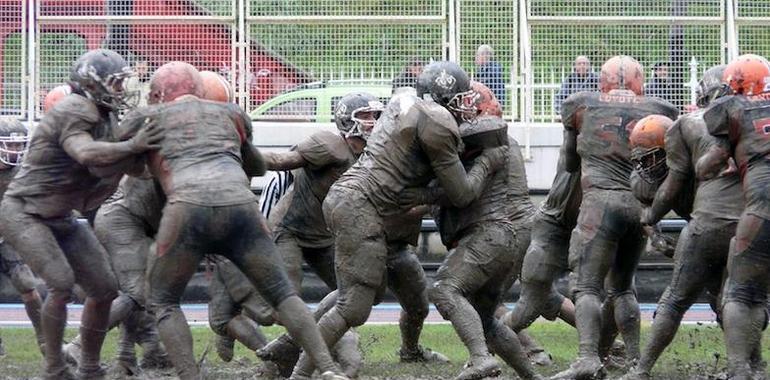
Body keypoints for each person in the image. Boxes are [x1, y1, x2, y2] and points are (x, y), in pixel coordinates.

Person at [119, 61, 348, 380]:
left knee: (163, 300)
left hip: (187, 209)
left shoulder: (146, 118)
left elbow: (129, 168)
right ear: (200, 91)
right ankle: (326, 368)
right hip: (241, 208)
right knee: (284, 295)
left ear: (156, 94)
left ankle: (190, 376)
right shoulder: (232, 114)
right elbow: (255, 166)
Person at [286, 61, 506, 379]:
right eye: (461, 95)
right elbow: (462, 194)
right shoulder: (438, 119)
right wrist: (488, 161)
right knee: (353, 305)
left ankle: (293, 361)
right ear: (445, 93)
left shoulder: (404, 99)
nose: (466, 103)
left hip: (353, 199)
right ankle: (301, 373)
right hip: (361, 206)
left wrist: (419, 193)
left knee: (357, 298)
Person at [258, 92, 450, 376]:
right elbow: (283, 161)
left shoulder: (384, 153)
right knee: (292, 300)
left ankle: (407, 351)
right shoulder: (329, 145)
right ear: (346, 119)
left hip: (333, 236)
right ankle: (290, 351)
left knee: (374, 297)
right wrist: (241, 156)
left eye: (376, 116)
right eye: (366, 116)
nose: (373, 122)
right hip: (292, 230)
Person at [0, 48, 161, 379]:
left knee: (104, 289)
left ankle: (89, 367)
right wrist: (132, 145)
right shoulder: (76, 108)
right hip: (25, 211)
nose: (122, 90)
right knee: (60, 282)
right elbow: (86, 153)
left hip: (61, 216)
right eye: (116, 83)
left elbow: (133, 167)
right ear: (93, 82)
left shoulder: (105, 117)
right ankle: (54, 367)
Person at [400, 82, 543, 380]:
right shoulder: (465, 140)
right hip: (502, 236)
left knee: (444, 289)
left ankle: (481, 359)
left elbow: (462, 192)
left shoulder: (480, 137)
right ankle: (533, 376)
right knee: (486, 320)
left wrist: (422, 194)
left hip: (488, 234)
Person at [553, 55, 679, 379]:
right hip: (639, 207)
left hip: (599, 203)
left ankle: (587, 358)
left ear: (601, 81)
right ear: (640, 82)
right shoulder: (662, 110)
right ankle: (636, 362)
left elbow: (569, 164)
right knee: (623, 289)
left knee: (586, 287)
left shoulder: (580, 105)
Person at [621, 67, 743, 380]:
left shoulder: (686, 127)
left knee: (675, 300)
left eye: (650, 157)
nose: (647, 165)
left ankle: (642, 369)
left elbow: (669, 186)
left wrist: (651, 219)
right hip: (750, 223)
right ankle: (746, 367)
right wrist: (654, 232)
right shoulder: (752, 124)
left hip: (709, 223)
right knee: (739, 301)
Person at [697, 54, 770, 380]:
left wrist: (708, 165)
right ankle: (755, 367)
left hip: (763, 207)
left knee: (741, 293)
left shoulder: (732, 110)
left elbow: (709, 165)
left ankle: (740, 370)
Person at [0, 118, 44, 356]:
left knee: (26, 283)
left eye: (18, 145)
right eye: (10, 145)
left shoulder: (22, 172)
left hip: (8, 235)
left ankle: (44, 339)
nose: (15, 151)